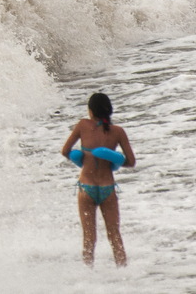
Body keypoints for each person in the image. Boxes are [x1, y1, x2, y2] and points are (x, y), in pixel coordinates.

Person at [61, 93, 136, 266]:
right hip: (107, 188)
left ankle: (88, 273)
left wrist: (79, 159)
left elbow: (65, 151)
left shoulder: (82, 125)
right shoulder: (118, 131)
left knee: (89, 237)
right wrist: (115, 161)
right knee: (114, 235)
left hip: (86, 187)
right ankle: (124, 271)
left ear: (90, 111)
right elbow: (131, 162)